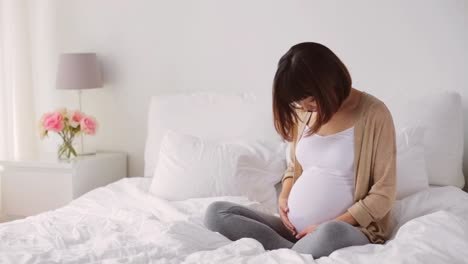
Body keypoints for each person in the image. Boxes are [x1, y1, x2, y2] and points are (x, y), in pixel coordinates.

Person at [203, 42, 397, 259]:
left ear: (329, 82)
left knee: (331, 234)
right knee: (216, 213)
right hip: (292, 229)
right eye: (301, 103)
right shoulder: (304, 113)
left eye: (312, 100)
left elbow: (384, 193)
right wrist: (284, 197)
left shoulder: (374, 114)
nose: (305, 108)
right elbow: (295, 167)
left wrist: (327, 225)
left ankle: (287, 253)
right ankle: (294, 252)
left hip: (344, 229)